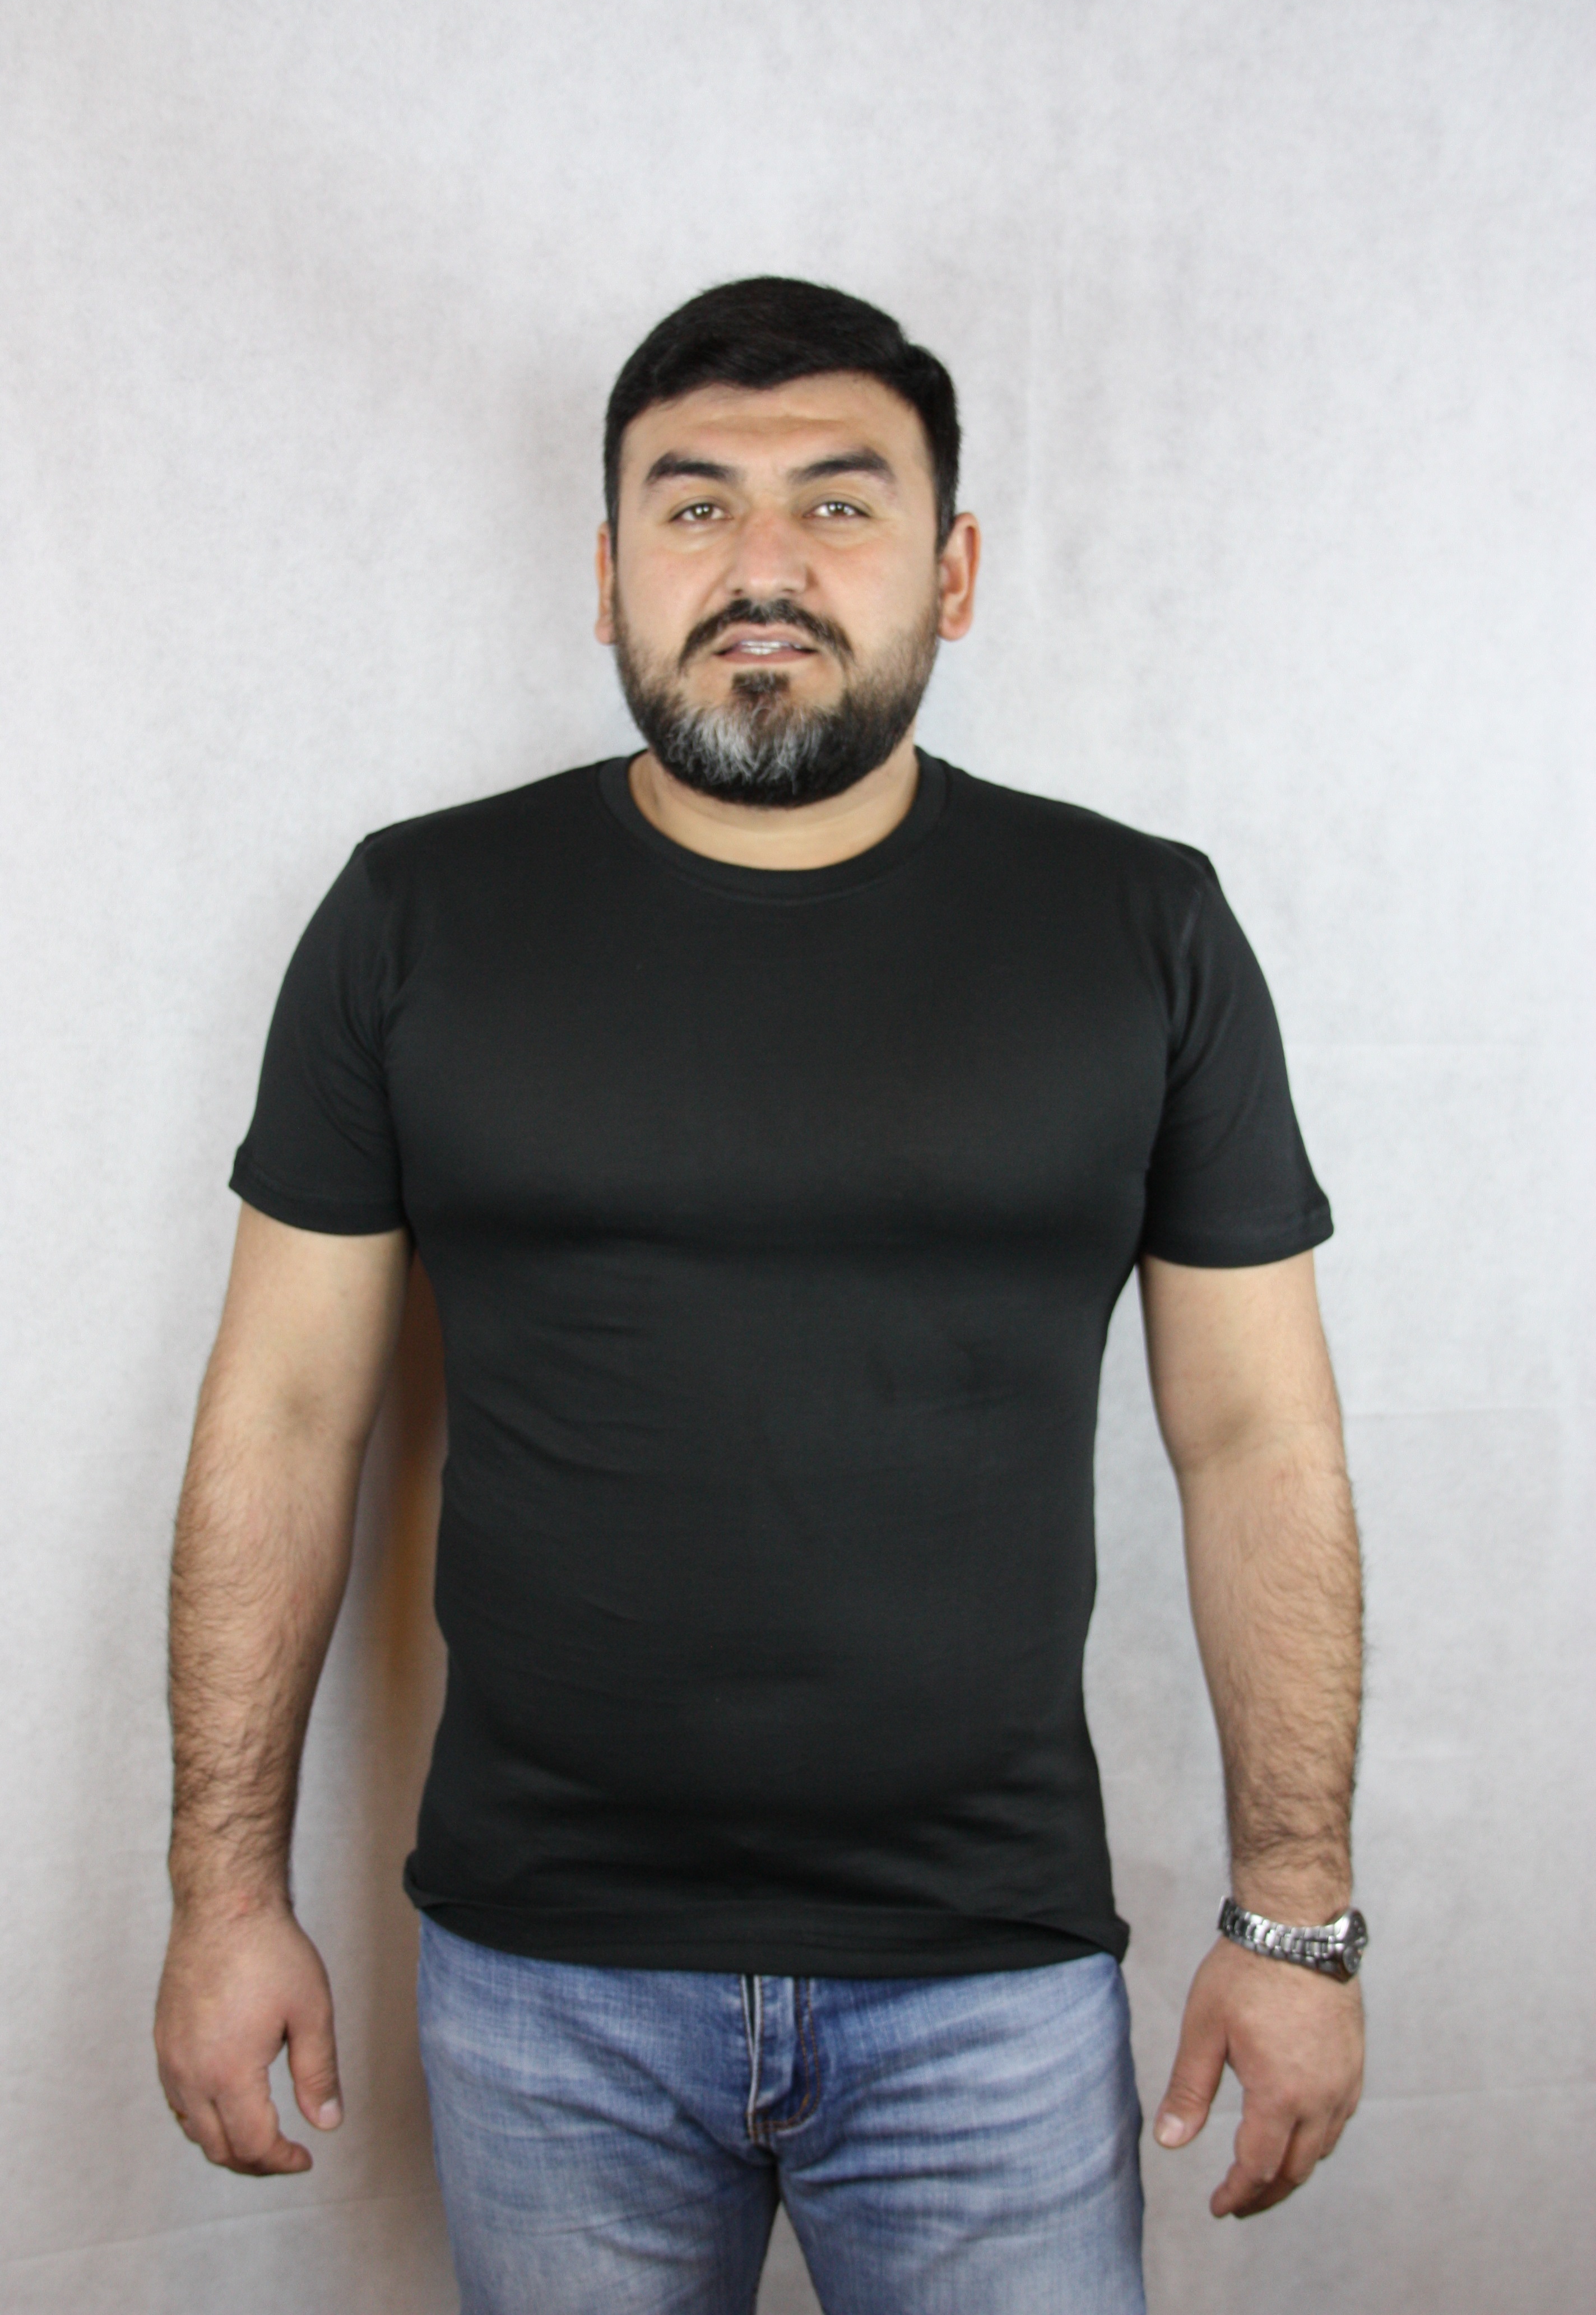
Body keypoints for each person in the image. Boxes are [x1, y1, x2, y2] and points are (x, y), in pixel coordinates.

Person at [154, 276, 1365, 2315]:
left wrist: (1298, 1916)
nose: (765, 565)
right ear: (609, 571)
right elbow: (281, 1420)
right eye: (697, 506)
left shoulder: (1138, 926)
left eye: (841, 503)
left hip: (990, 1978)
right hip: (546, 1982)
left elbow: (1258, 1437)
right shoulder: (415, 915)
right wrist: (220, 1897)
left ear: (952, 570)